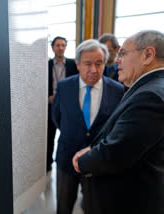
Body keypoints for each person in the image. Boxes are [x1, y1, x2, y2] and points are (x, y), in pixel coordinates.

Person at [72, 30, 164, 214]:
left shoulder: (150, 95)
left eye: (123, 53)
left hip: (128, 201)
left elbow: (116, 153)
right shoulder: (150, 88)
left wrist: (83, 162)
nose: (116, 61)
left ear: (148, 55)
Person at [52, 39, 125, 214]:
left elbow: (117, 125)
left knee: (95, 207)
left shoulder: (117, 90)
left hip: (98, 161)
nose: (93, 69)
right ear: (77, 64)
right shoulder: (64, 86)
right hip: (67, 157)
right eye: (87, 64)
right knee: (63, 206)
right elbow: (57, 118)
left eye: (98, 63)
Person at [47, 36, 78, 172]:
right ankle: (47, 163)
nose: (60, 48)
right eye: (58, 45)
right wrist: (47, 98)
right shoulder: (45, 65)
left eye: (63, 45)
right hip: (49, 105)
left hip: (67, 107)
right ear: (52, 47)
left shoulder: (73, 64)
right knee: (49, 136)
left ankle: (70, 163)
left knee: (68, 135)